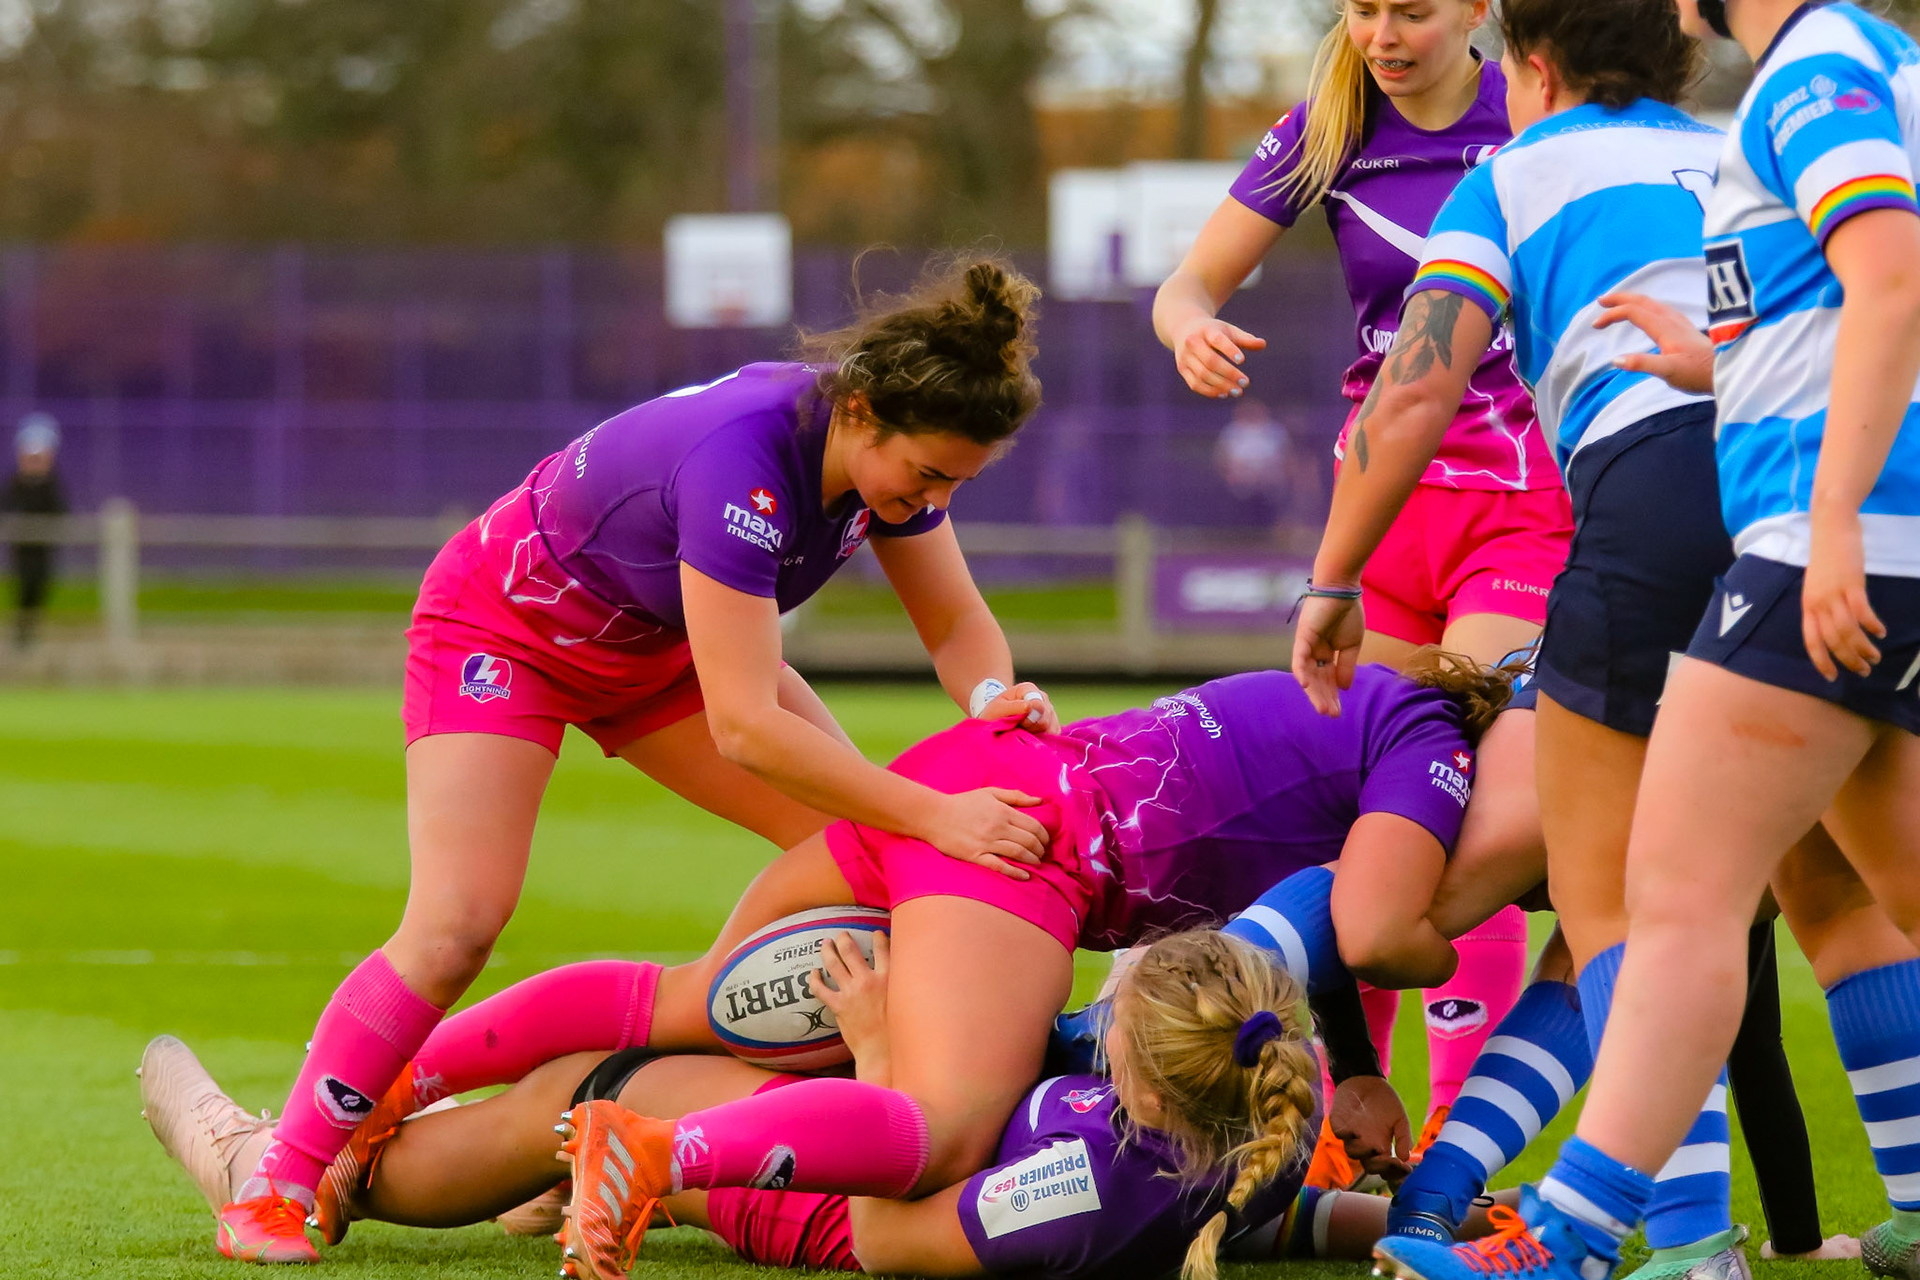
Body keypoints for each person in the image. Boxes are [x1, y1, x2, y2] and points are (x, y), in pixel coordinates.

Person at [213, 258, 1074, 1264]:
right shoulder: (744, 466)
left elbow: (957, 622)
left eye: (954, 484)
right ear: (863, 408)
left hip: (655, 651)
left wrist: (991, 696)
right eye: (926, 474)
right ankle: (286, 1171)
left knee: (856, 865)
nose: (930, 500)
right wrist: (934, 813)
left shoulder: (888, 463)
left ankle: (611, 1134)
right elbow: (747, 724)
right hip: (505, 630)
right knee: (457, 921)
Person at [1367, 2, 1920, 1279]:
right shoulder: (1867, 70)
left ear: (1532, 66)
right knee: (1861, 887)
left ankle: (1605, 1239)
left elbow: (1891, 279)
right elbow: (1850, 314)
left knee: (1653, 897)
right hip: (1850, 530)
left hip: (1813, 537)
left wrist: (1832, 516)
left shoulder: (1810, 69)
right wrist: (1718, 369)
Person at [1155, 0, 1566, 1154]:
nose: (1383, 32)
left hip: (1520, 511)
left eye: (1413, 9)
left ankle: (1454, 1139)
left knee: (1453, 789)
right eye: (1363, 7)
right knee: (1357, 804)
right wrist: (1188, 325)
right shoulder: (1326, 128)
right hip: (1377, 514)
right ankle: (1350, 1113)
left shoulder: (1532, 116)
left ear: (1479, 8)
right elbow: (1184, 287)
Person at [144, 930, 1324, 1280]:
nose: (1097, 999)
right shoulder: (1261, 1108)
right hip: (882, 1131)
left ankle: (264, 1158)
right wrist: (1402, 1222)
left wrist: (874, 1056)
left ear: (1147, 1077)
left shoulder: (1079, 1172)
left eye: (1114, 1009)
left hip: (828, 1203)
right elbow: (1268, 1222)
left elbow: (887, 1232)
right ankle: (566, 1175)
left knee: (588, 1088)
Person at [5, 412, 66, 650]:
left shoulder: (52, 485)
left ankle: (30, 628)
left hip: (43, 548)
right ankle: (22, 631)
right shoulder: (15, 484)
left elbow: (60, 511)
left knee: (40, 584)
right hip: (22, 547)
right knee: (23, 585)